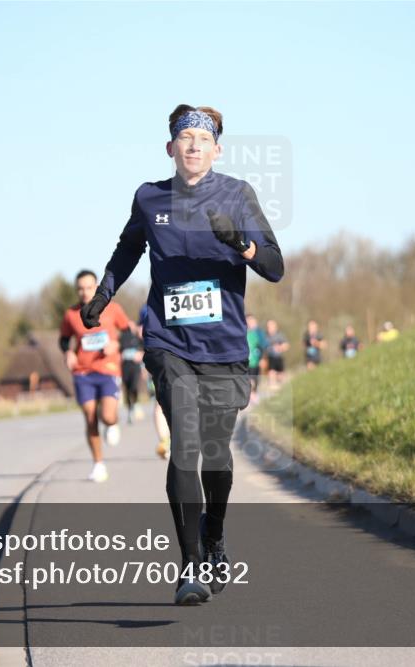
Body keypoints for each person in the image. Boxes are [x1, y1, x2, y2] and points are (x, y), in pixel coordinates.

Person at [79, 104, 283, 605]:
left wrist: (244, 247)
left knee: (216, 455)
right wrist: (104, 296)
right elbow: (128, 250)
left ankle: (214, 536)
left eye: (202, 138)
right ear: (171, 148)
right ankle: (190, 566)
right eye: (184, 137)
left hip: (226, 348)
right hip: (168, 342)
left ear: (217, 149)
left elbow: (276, 266)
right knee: (185, 444)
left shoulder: (238, 195)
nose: (193, 145)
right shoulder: (150, 199)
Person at [59, 269, 130, 483]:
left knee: (107, 416)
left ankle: (112, 423)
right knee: (90, 418)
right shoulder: (71, 314)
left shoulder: (112, 309)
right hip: (83, 372)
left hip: (108, 369)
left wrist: (117, 344)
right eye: (80, 289)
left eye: (89, 287)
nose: (84, 292)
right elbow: (63, 339)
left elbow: (127, 333)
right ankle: (98, 464)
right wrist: (68, 352)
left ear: (96, 286)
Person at [140, 304, 171, 460]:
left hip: (185, 357)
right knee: (159, 402)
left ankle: (178, 438)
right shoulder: (147, 309)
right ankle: (164, 441)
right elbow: (141, 332)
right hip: (158, 358)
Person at [118, 321, 146, 423]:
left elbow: (144, 350)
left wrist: (141, 356)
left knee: (134, 386)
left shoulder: (138, 338)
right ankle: (130, 409)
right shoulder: (121, 337)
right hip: (125, 367)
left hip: (135, 367)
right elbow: (118, 351)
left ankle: (136, 404)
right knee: (127, 388)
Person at [245, 314, 267, 405]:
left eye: (252, 321)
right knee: (248, 379)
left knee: (255, 378)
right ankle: (250, 395)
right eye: (248, 321)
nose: (250, 323)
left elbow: (263, 346)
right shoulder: (243, 333)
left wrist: (262, 358)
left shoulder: (258, 333)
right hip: (245, 362)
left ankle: (254, 394)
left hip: (255, 361)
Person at [263, 319, 289, 387]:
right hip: (269, 358)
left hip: (279, 358)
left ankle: (280, 387)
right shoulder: (264, 336)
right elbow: (262, 347)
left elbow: (286, 345)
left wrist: (280, 347)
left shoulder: (280, 335)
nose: (270, 328)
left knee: (281, 377)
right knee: (271, 373)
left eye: (271, 326)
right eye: (268, 326)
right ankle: (272, 386)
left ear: (275, 326)